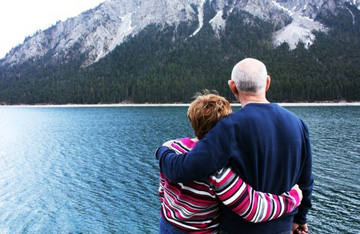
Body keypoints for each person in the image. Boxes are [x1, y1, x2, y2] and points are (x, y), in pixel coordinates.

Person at [156, 58, 313, 234]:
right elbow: (306, 180)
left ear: (233, 87)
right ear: (267, 82)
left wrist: (162, 152)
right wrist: (300, 218)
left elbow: (186, 168)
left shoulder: (229, 127)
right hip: (282, 227)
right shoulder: (298, 124)